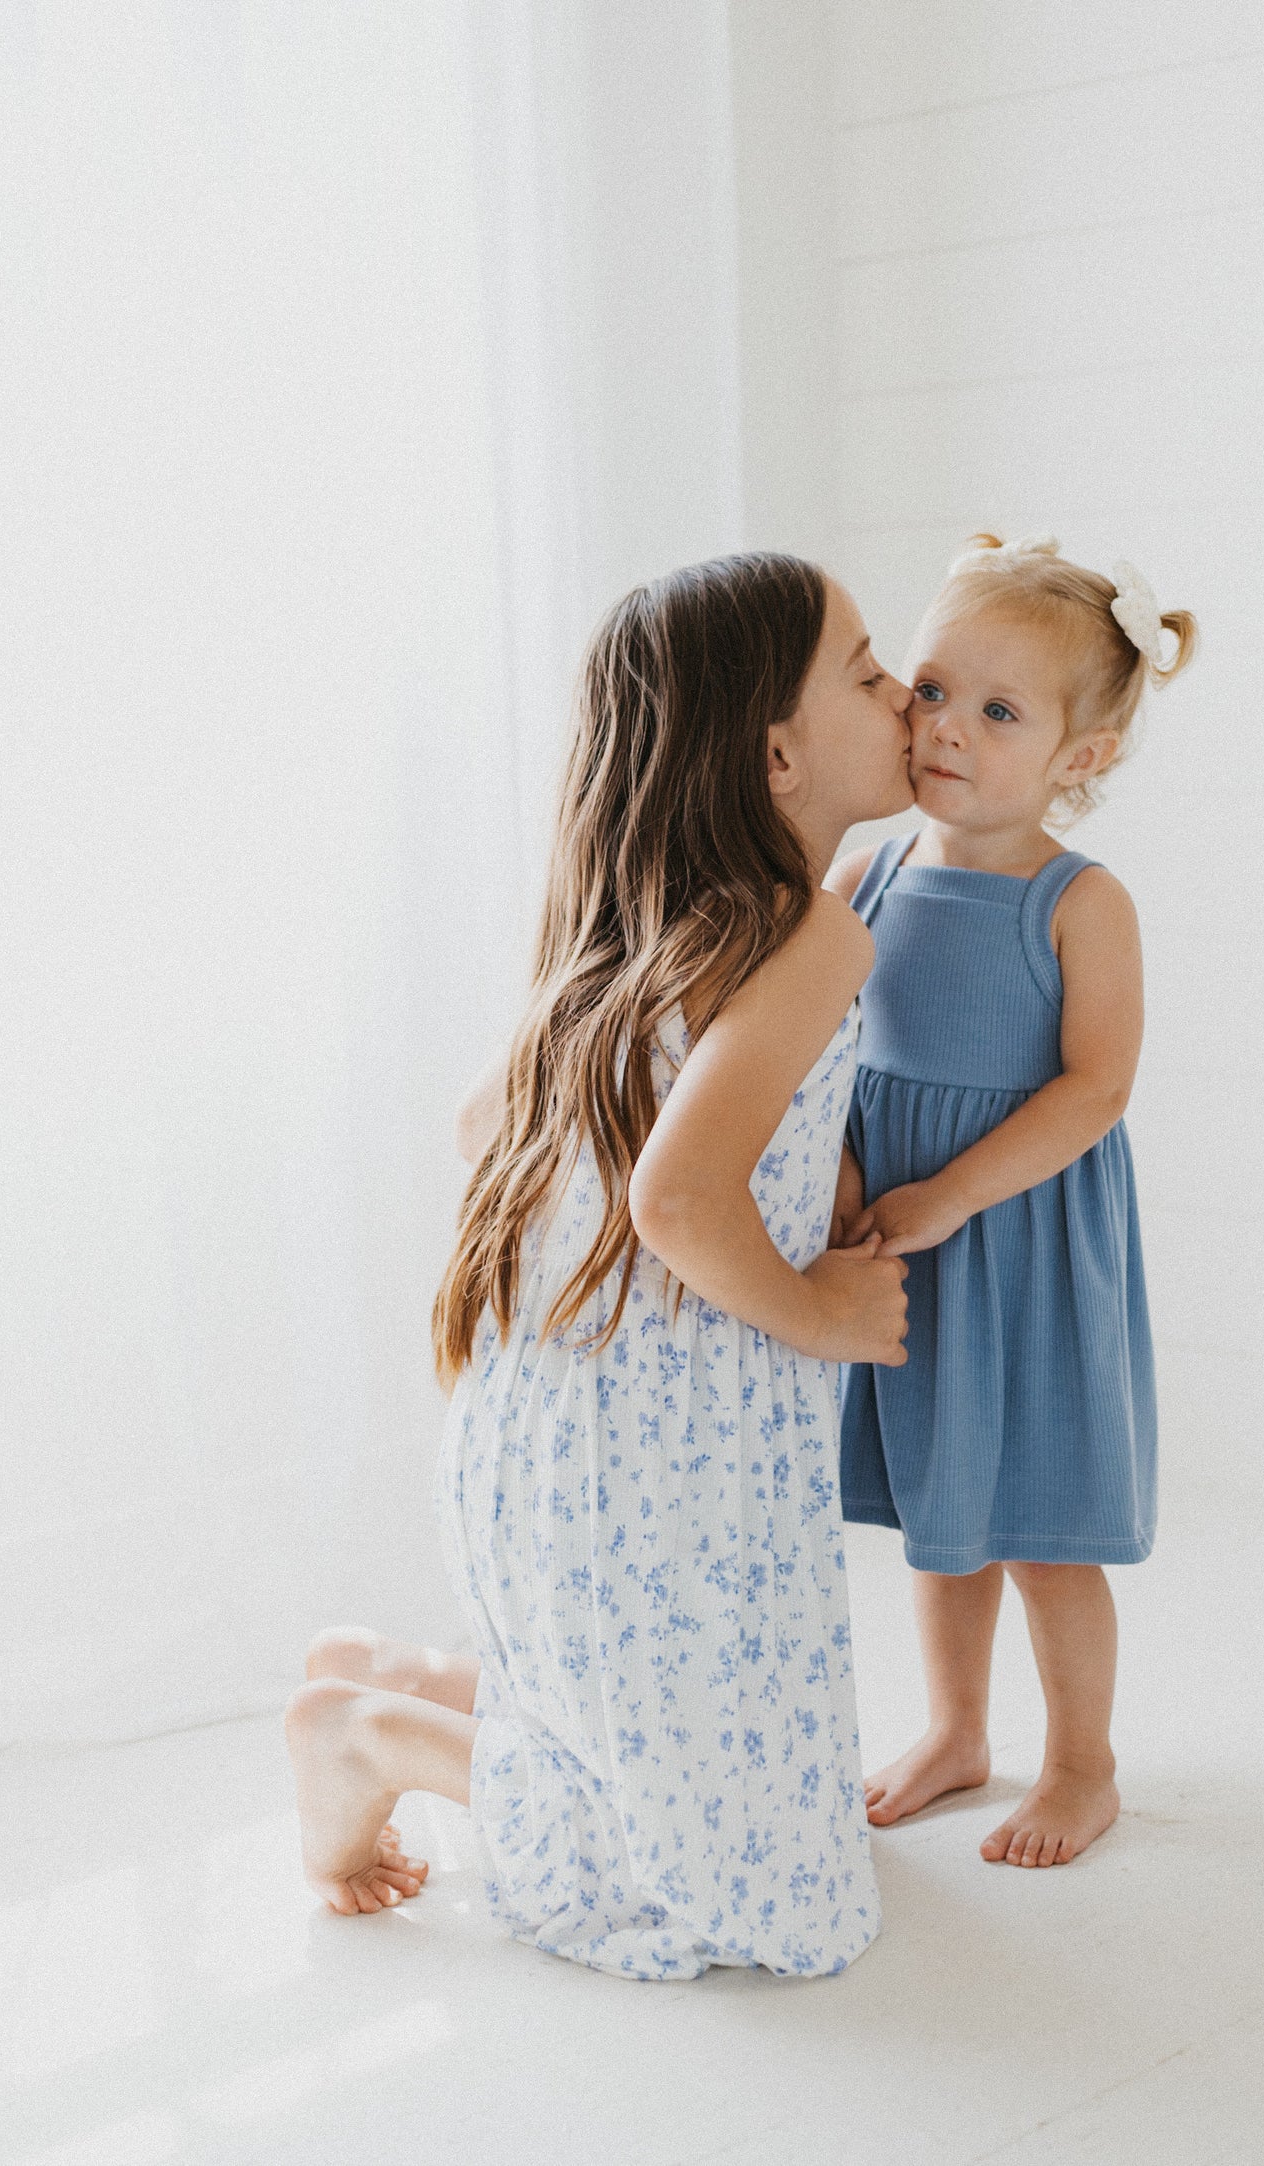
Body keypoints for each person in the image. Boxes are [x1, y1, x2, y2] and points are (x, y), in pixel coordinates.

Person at [285, 552, 914, 1977]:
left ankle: (401, 1675)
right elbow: (678, 1195)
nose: (905, 693)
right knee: (759, 1906)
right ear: (776, 754)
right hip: (661, 1465)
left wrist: (804, 1179)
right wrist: (817, 1305)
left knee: (709, 1779)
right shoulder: (812, 928)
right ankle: (367, 1732)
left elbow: (486, 1127)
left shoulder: (640, 938)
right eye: (869, 671)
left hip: (556, 1440)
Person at [828, 535, 1196, 1866]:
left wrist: (950, 1193)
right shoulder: (865, 877)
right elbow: (822, 1053)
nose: (945, 728)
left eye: (999, 711)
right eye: (932, 689)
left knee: (1038, 1527)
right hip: (904, 1238)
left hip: (1021, 1243)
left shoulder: (1076, 901)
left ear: (1079, 754)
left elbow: (1097, 1087)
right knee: (944, 1518)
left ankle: (1083, 1763)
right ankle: (954, 1729)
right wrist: (859, 1188)